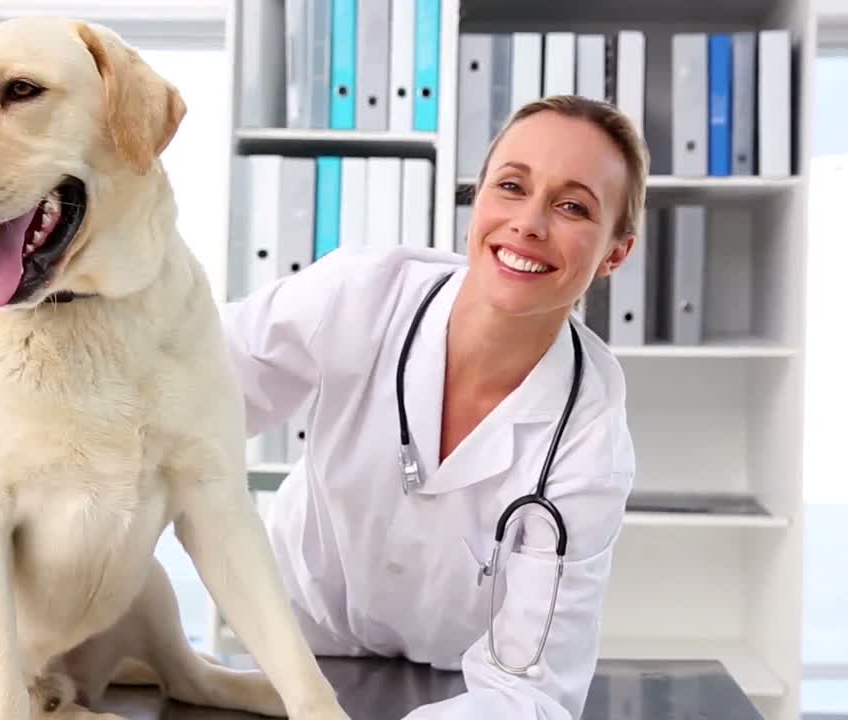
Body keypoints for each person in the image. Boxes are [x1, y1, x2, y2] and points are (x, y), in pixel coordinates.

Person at [220, 94, 647, 719]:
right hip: (292, 648)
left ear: (615, 253)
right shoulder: (361, 292)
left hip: (461, 693)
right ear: (478, 197)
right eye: (511, 186)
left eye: (572, 206)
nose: (529, 223)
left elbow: (529, 692)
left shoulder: (589, 437)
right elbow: (186, 388)